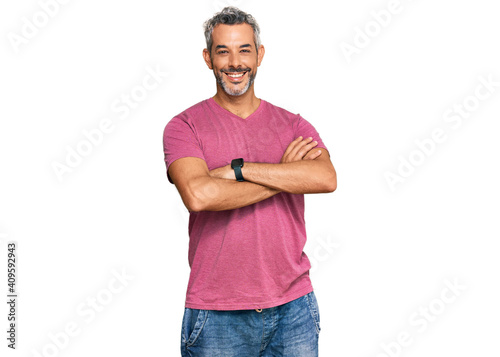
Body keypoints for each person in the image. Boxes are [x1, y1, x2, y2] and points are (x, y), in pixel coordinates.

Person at [163, 6, 337, 356]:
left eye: (244, 50)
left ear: (259, 55)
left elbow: (325, 177)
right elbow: (199, 194)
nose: (234, 62)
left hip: (294, 308)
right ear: (207, 58)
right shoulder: (184, 127)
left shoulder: (292, 125)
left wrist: (238, 170)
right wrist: (285, 175)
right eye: (223, 51)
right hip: (216, 313)